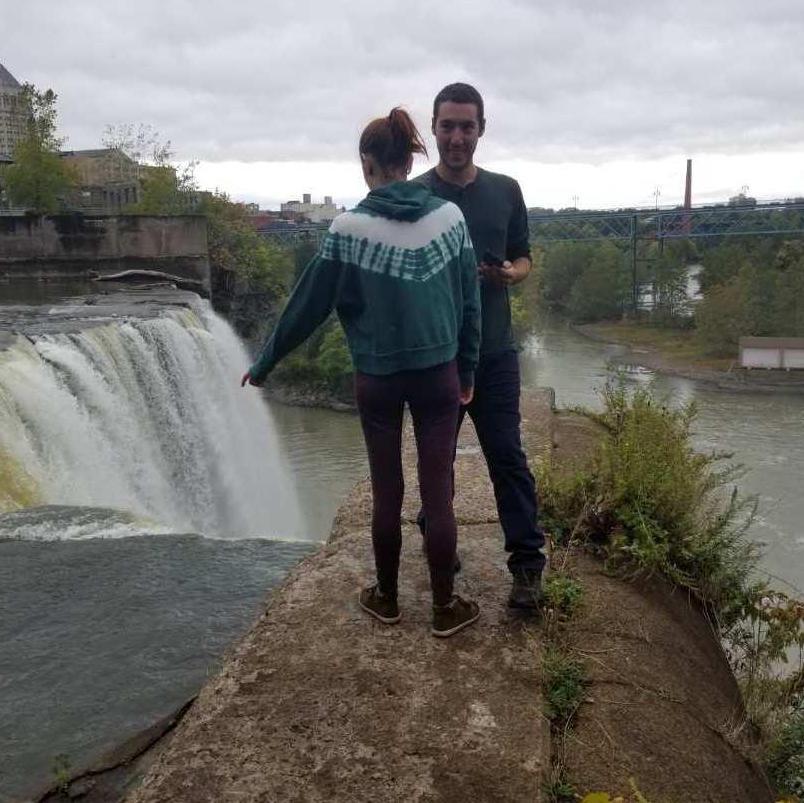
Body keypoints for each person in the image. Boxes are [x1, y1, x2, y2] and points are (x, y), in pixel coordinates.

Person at [241, 107, 482, 638]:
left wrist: (264, 364)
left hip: (376, 379)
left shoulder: (348, 230)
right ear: (409, 158)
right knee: (438, 491)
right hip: (439, 374)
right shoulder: (449, 220)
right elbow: (470, 304)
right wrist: (467, 369)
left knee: (387, 490)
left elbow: (308, 305)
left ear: (368, 164)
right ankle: (445, 607)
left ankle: (388, 598)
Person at [415, 83, 546, 610]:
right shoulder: (418, 195)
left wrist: (509, 274)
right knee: (435, 461)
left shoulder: (506, 190)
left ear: (481, 129)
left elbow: (523, 256)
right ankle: (439, 544)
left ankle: (527, 569)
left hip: (493, 352)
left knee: (507, 457)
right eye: (448, 126)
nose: (457, 137)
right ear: (434, 128)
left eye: (467, 126)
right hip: (436, 356)